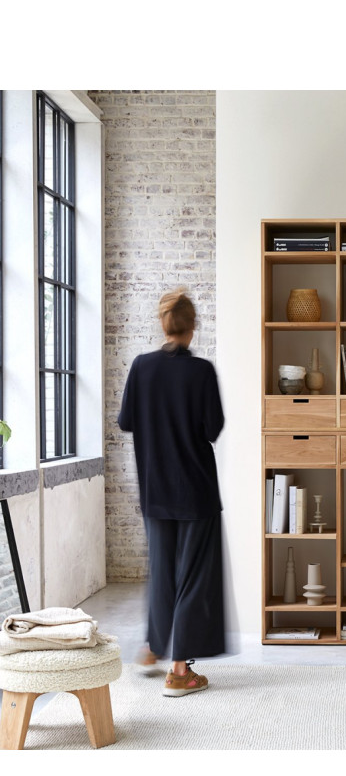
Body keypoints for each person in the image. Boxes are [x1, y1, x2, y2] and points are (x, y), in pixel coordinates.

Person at [118, 288, 225, 696]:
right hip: (195, 489)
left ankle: (152, 648)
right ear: (192, 327)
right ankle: (180, 672)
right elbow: (212, 430)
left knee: (162, 572)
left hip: (156, 489)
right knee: (193, 578)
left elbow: (127, 421)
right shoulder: (201, 372)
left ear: (163, 324)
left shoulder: (141, 367)